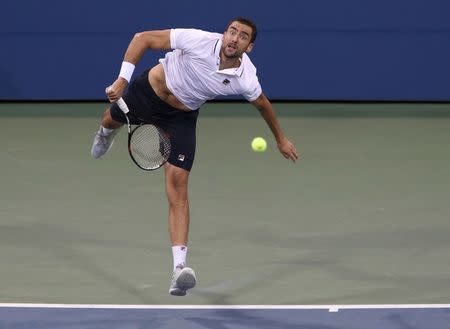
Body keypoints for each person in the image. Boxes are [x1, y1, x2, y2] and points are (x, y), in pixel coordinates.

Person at [91, 17, 298, 296]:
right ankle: (105, 134)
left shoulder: (246, 78)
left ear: (249, 47)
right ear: (224, 34)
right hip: (148, 92)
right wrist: (122, 80)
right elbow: (143, 38)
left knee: (178, 187)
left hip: (181, 117)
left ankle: (179, 270)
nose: (234, 38)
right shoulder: (199, 40)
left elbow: (263, 105)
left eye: (243, 36)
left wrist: (281, 139)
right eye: (232, 32)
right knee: (109, 120)